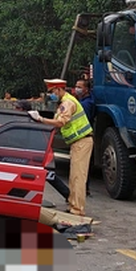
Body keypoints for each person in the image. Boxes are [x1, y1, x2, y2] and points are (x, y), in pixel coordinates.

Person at [28, 78, 93, 217]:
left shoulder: (67, 103)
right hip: (78, 142)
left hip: (82, 142)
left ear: (59, 89)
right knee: (74, 177)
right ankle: (72, 205)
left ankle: (78, 209)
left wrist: (40, 119)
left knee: (78, 178)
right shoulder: (65, 102)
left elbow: (60, 122)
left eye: (53, 92)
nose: (52, 95)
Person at [17, 99, 70, 202]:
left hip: (41, 154)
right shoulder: (29, 119)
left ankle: (68, 195)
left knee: (49, 176)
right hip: (36, 153)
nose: (16, 109)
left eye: (18, 108)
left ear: (23, 109)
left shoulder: (30, 120)